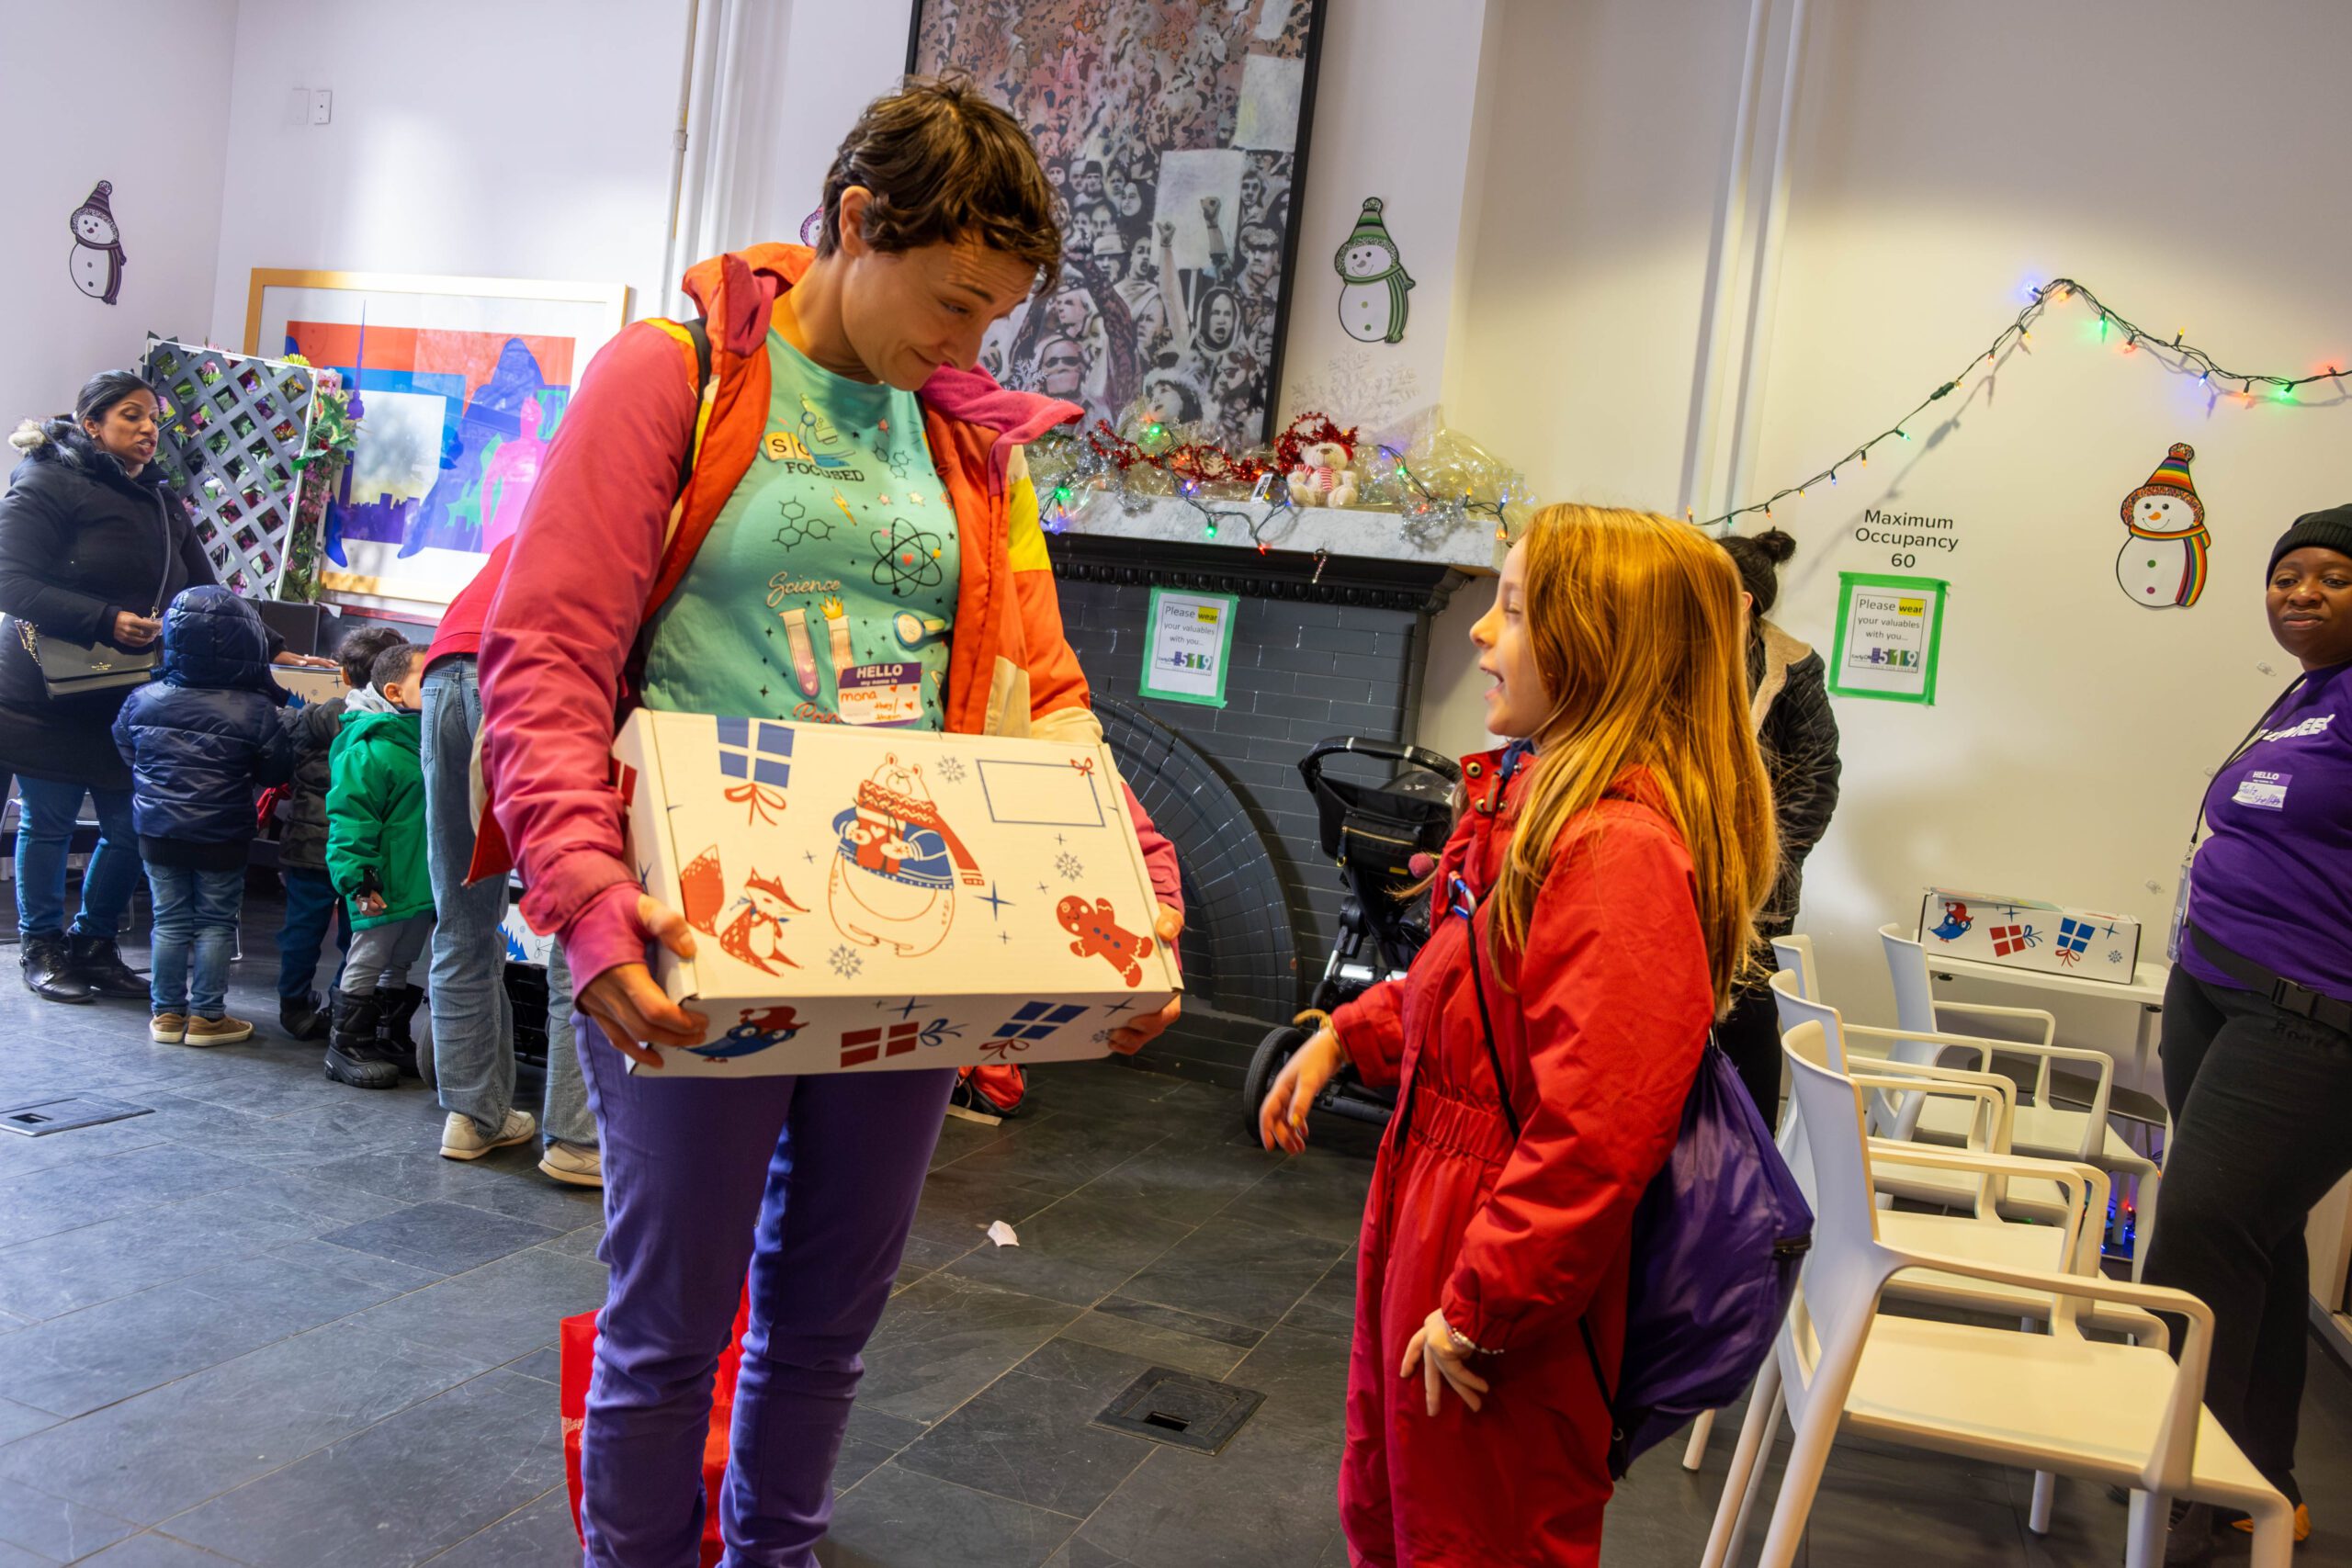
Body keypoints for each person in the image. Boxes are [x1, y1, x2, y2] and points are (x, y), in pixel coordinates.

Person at [478, 77, 1186, 1564]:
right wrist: (584, 894)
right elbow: (544, 658)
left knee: (831, 1321)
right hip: (692, 917)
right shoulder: (671, 374)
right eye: (954, 302)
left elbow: (1042, 688)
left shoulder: (970, 442)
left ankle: (779, 1550)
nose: (969, 345)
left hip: (911, 922)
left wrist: (1139, 895)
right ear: (857, 223)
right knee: (671, 1326)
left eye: (997, 318)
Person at [1257, 505, 1776, 1567]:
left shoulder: (1616, 852)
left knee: (1477, 1532)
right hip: (1444, 1206)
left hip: (1501, 1248)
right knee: (1400, 1502)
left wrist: (1482, 1303)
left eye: (1513, 609)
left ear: (1600, 648)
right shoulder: (1536, 815)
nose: (1480, 633)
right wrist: (1350, 1033)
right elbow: (1472, 990)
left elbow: (1598, 1129)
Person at [2146, 506, 2352, 1562]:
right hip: (2215, 992)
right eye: (2285, 574)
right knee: (2252, 1237)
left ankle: (2175, 1478)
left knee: (2198, 1225)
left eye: (2332, 576)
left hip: (2308, 1014)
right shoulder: (2308, 695)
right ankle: (2254, 1484)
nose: (2301, 592)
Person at [0, 373, 329, 1003]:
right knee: (50, 823)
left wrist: (273, 647)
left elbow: (204, 592)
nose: (149, 428)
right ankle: (41, 947)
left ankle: (93, 942)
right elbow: (9, 581)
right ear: (91, 424)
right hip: (42, 694)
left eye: (154, 417)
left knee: (131, 826)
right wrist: (105, 619)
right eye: (132, 415)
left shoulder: (158, 498)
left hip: (124, 695)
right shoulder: (45, 482)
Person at [421, 536, 596, 1184]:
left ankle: (472, 1116)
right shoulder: (643, 512)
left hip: (445, 668)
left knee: (461, 916)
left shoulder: (546, 519)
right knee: (579, 919)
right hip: (540, 667)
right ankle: (576, 1137)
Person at [111, 587, 294, 1045]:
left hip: (158, 830)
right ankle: (207, 1018)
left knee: (169, 921)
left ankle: (167, 1016)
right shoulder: (257, 709)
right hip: (223, 833)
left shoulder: (142, 698)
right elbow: (276, 771)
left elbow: (127, 748)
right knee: (215, 922)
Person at [1710, 526, 1840, 1121]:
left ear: (1742, 601)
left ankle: (1751, 1152)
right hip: (1678, 866)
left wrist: (1763, 864)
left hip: (1758, 883)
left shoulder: (1790, 667)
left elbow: (1817, 779)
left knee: (1746, 1018)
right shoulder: (1672, 648)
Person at [275, 623, 409, 1040]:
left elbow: (280, 748)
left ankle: (293, 1005)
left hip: (308, 847)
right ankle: (343, 1005)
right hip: (365, 854)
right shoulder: (395, 729)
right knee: (358, 933)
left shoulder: (313, 718)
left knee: (301, 928)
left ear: (345, 675)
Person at [323, 640, 434, 1089]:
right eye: (428, 680)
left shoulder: (427, 744)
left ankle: (388, 1035)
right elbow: (350, 823)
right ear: (394, 692)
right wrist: (362, 882)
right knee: (368, 958)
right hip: (380, 883)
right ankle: (346, 1045)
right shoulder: (369, 748)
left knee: (402, 960)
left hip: (419, 883)